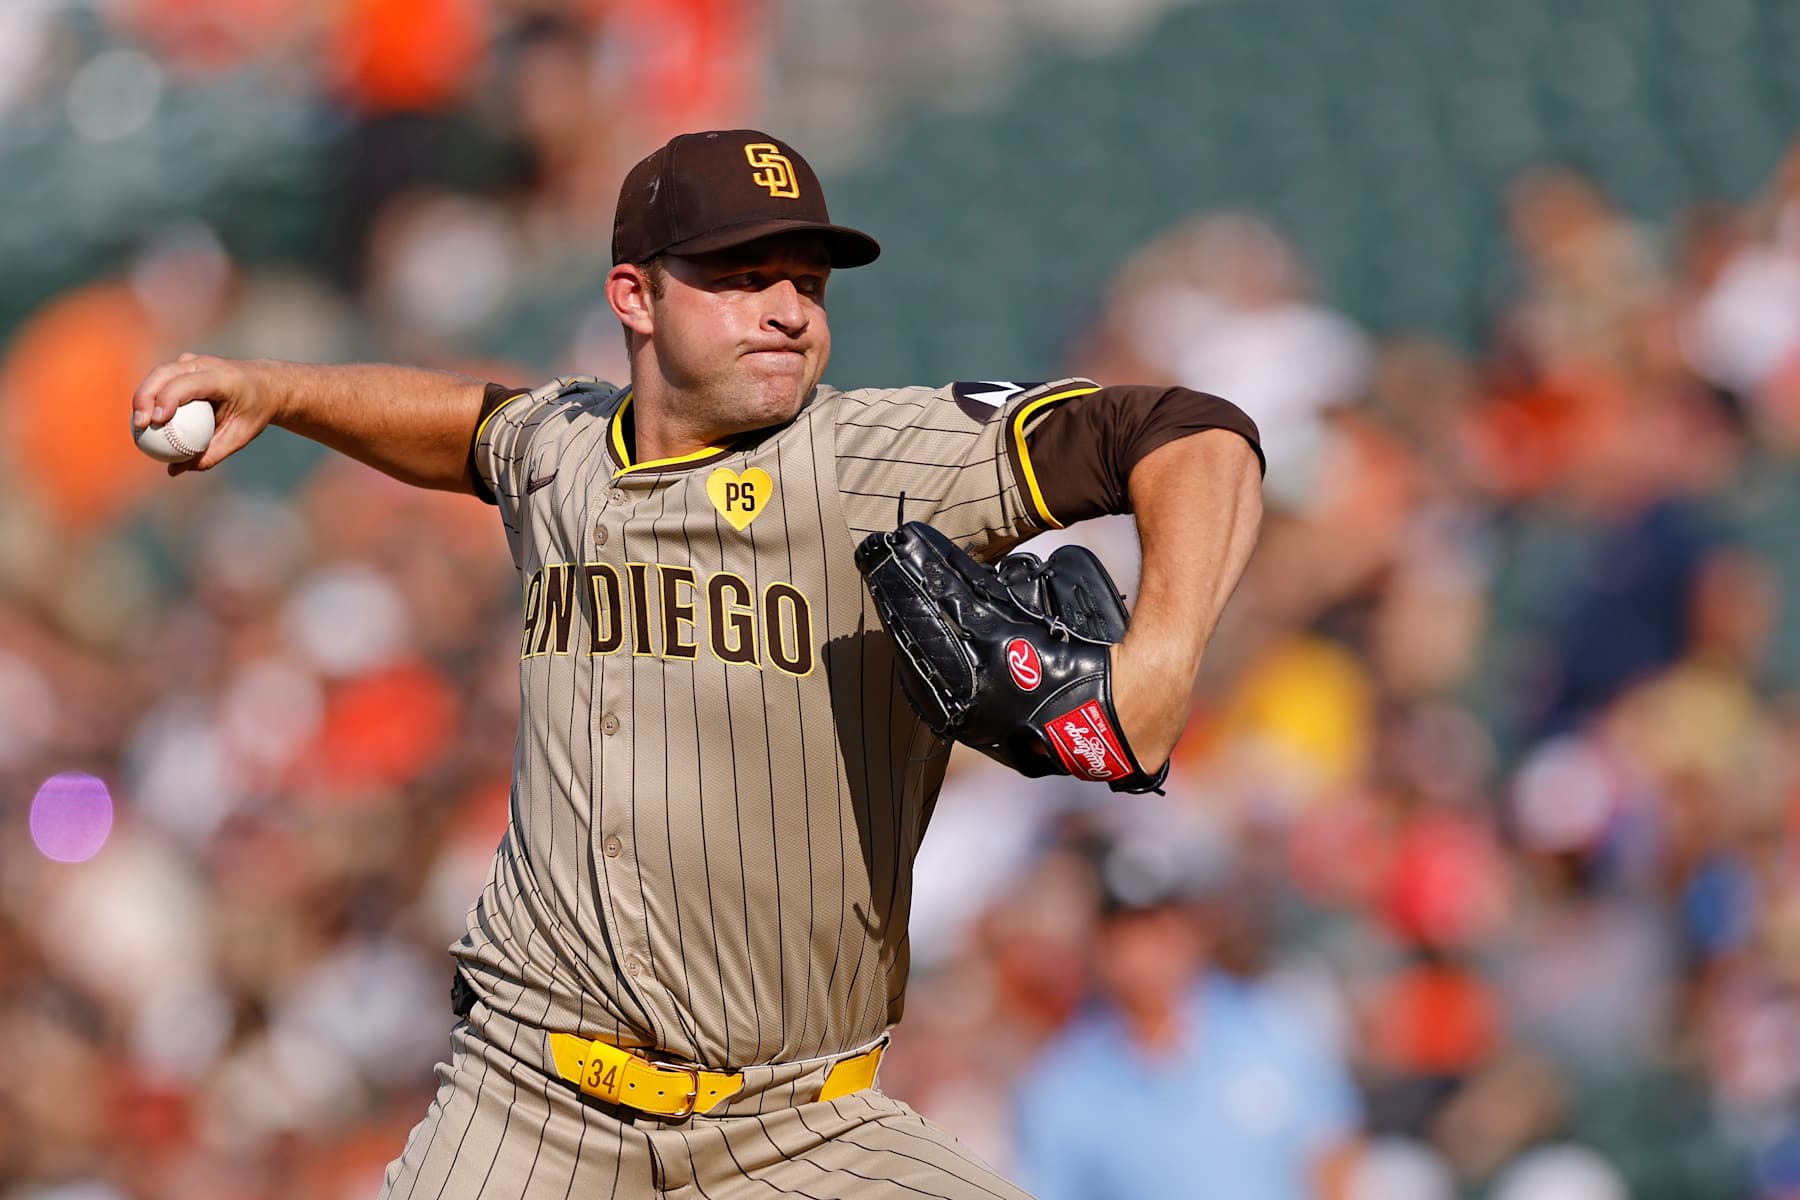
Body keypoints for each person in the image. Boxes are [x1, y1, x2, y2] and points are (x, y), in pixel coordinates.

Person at [130, 129, 1265, 1198]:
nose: (785, 312)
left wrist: (1153, 671)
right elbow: (467, 428)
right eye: (741, 277)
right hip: (527, 1106)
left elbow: (1192, 430)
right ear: (635, 294)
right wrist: (282, 391)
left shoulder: (874, 456)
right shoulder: (562, 447)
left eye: (807, 285)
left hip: (804, 1126)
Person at [1014, 839, 1362, 1200]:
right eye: (1128, 933)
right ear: (1100, 945)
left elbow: (1332, 1156)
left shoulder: (1277, 1027)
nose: (1147, 952)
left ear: (1194, 929)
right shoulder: (1064, 1082)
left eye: (1161, 927)